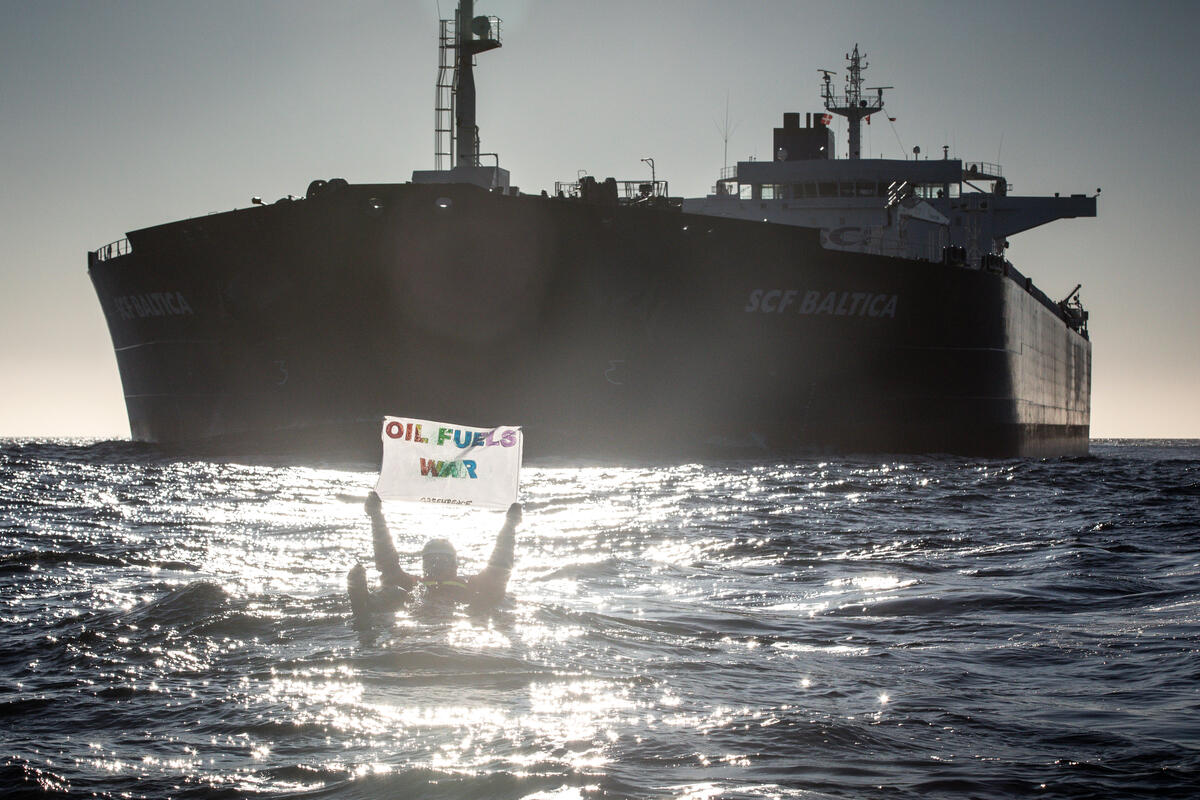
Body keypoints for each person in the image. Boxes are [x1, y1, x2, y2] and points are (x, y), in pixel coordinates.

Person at [347, 491, 521, 620]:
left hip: (459, 617)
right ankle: (363, 603)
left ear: (455, 566)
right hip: (415, 616)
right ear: (423, 565)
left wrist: (510, 525)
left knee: (489, 593)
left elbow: (498, 568)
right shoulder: (413, 585)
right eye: (431, 561)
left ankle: (365, 607)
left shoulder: (469, 586)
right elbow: (387, 562)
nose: (437, 565)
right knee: (394, 591)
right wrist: (376, 515)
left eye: (443, 561)